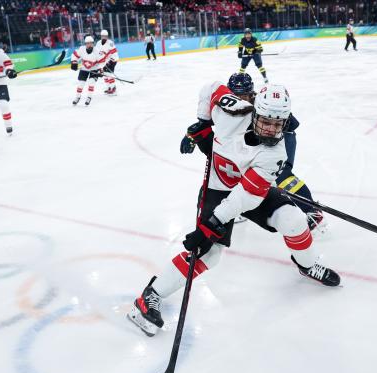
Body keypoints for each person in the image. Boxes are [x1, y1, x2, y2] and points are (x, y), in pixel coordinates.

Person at [128, 82, 341, 337]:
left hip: (248, 191)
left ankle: (307, 265)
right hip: (217, 189)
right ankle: (151, 295)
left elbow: (244, 198)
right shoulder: (232, 111)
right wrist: (204, 123)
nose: (272, 129)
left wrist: (212, 224)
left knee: (293, 218)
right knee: (208, 254)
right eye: (266, 121)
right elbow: (209, 89)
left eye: (278, 124)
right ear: (255, 113)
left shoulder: (276, 153)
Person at [180, 73, 326, 233]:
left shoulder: (262, 106)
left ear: (252, 93)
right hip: (258, 143)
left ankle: (312, 211)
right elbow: (214, 123)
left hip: (282, 137)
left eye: (244, 95)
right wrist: (193, 134)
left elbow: (286, 124)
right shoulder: (233, 107)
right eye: (236, 94)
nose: (240, 98)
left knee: (283, 175)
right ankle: (238, 204)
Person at [70, 35, 105, 106]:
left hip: (94, 69)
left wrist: (101, 69)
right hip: (84, 68)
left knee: (91, 83)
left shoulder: (97, 51)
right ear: (85, 44)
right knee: (81, 84)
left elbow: (102, 61)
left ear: (93, 43)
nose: (89, 45)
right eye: (88, 43)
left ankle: (89, 97)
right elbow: (74, 55)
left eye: (91, 43)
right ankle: (77, 97)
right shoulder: (81, 49)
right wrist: (74, 62)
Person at [96, 29, 119, 95]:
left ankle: (113, 88)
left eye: (105, 36)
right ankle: (109, 87)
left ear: (107, 36)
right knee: (104, 74)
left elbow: (114, 53)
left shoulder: (110, 43)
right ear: (101, 36)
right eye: (103, 36)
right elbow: (97, 53)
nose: (104, 37)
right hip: (104, 61)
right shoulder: (98, 43)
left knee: (108, 73)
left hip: (113, 59)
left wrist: (109, 61)